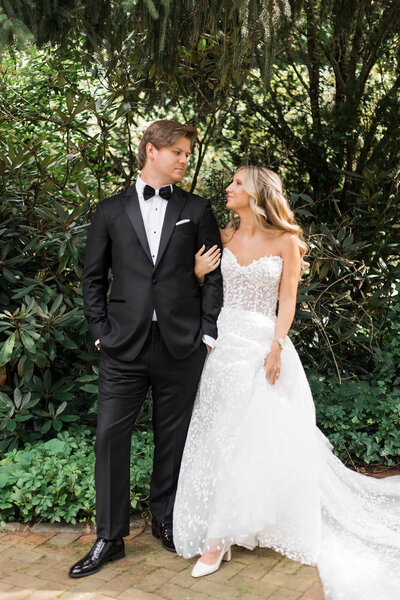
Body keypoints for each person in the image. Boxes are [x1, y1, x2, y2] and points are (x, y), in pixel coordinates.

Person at [173, 166, 400, 599]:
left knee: (251, 437)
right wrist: (198, 274)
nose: (229, 188)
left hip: (262, 349)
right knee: (221, 435)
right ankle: (225, 526)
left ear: (256, 192)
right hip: (222, 349)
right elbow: (196, 291)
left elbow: (288, 298)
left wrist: (277, 345)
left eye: (237, 183)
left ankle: (218, 541)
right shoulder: (222, 237)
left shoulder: (286, 241)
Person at [69, 120, 223, 578]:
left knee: (172, 438)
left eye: (186, 154)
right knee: (110, 438)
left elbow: (213, 276)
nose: (184, 160)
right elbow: (93, 279)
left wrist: (207, 332)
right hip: (123, 345)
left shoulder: (197, 208)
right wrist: (100, 332)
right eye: (177, 152)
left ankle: (165, 519)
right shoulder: (110, 210)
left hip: (181, 344)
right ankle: (109, 538)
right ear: (151, 151)